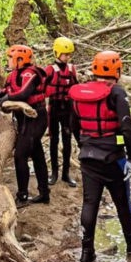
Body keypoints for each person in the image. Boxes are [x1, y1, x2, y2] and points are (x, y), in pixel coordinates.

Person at [69, 51, 131, 262]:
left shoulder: (79, 94)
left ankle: (87, 253)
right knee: (122, 202)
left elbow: (73, 125)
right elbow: (127, 128)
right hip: (114, 159)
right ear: (117, 71)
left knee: (89, 203)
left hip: (88, 157)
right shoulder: (117, 93)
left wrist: (84, 145)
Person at [0, 45, 49, 207]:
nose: (7, 61)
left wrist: (7, 97)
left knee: (20, 156)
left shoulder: (31, 74)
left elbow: (24, 93)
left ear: (19, 59)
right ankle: (44, 193)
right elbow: (7, 89)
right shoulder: (13, 75)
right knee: (37, 154)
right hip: (24, 119)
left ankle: (22, 195)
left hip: (36, 118)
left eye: (10, 58)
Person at [45, 36, 78, 187]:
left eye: (69, 54)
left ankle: (66, 173)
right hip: (54, 108)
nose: (67, 57)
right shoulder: (50, 70)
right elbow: (41, 89)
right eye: (65, 54)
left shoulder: (72, 70)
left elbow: (76, 88)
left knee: (67, 140)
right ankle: (54, 173)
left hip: (67, 109)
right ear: (57, 53)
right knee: (54, 140)